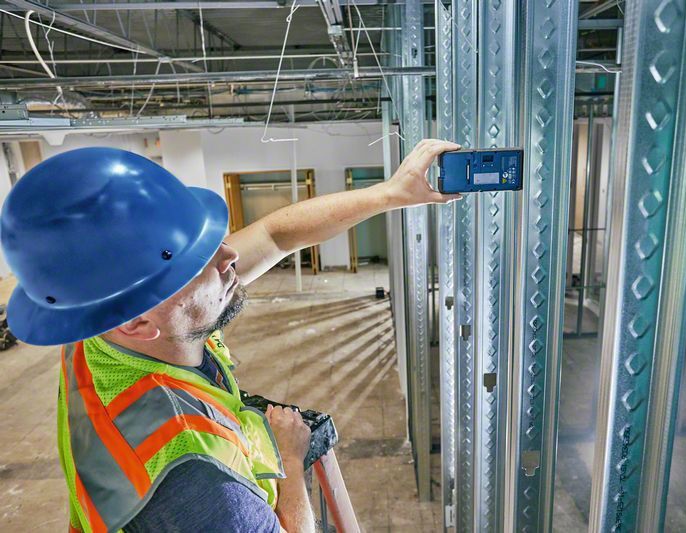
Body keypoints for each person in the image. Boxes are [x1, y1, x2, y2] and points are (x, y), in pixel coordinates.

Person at [0, 139, 460, 532]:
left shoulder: (104, 321)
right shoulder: (196, 481)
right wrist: (290, 460)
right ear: (137, 321)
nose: (229, 256)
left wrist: (391, 193)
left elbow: (277, 236)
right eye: (195, 263)